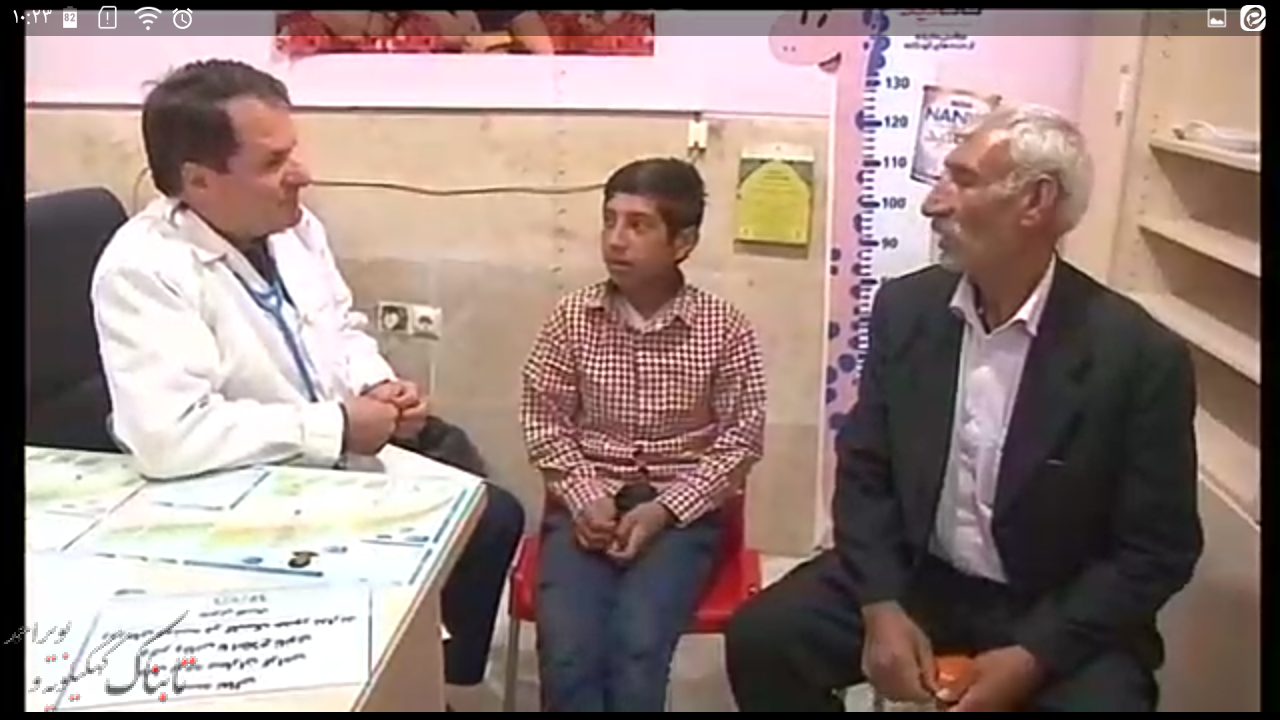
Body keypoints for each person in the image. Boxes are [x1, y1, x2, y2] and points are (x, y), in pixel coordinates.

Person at [723, 104, 1204, 712]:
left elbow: (1157, 550)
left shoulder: (1137, 355)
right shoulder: (907, 310)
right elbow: (866, 471)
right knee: (765, 639)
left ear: (1035, 202)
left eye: (963, 180)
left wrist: (1034, 655)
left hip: (1057, 603)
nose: (933, 203)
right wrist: (880, 606)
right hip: (920, 577)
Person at [89, 59, 525, 705]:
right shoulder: (143, 268)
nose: (302, 174)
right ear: (199, 180)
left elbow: (339, 325)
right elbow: (169, 438)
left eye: (292, 151)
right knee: (390, 587)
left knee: (491, 518)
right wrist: (338, 425)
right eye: (273, 162)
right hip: (235, 492)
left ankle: (433, 685)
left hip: (324, 463)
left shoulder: (293, 228)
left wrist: (376, 385)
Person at [519, 158, 767, 712]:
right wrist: (586, 496)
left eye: (638, 225)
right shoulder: (571, 319)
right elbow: (544, 421)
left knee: (637, 644)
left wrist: (663, 511)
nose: (616, 240)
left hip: (680, 517)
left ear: (683, 243)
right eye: (609, 221)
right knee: (569, 651)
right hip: (585, 508)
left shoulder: (724, 329)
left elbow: (740, 442)